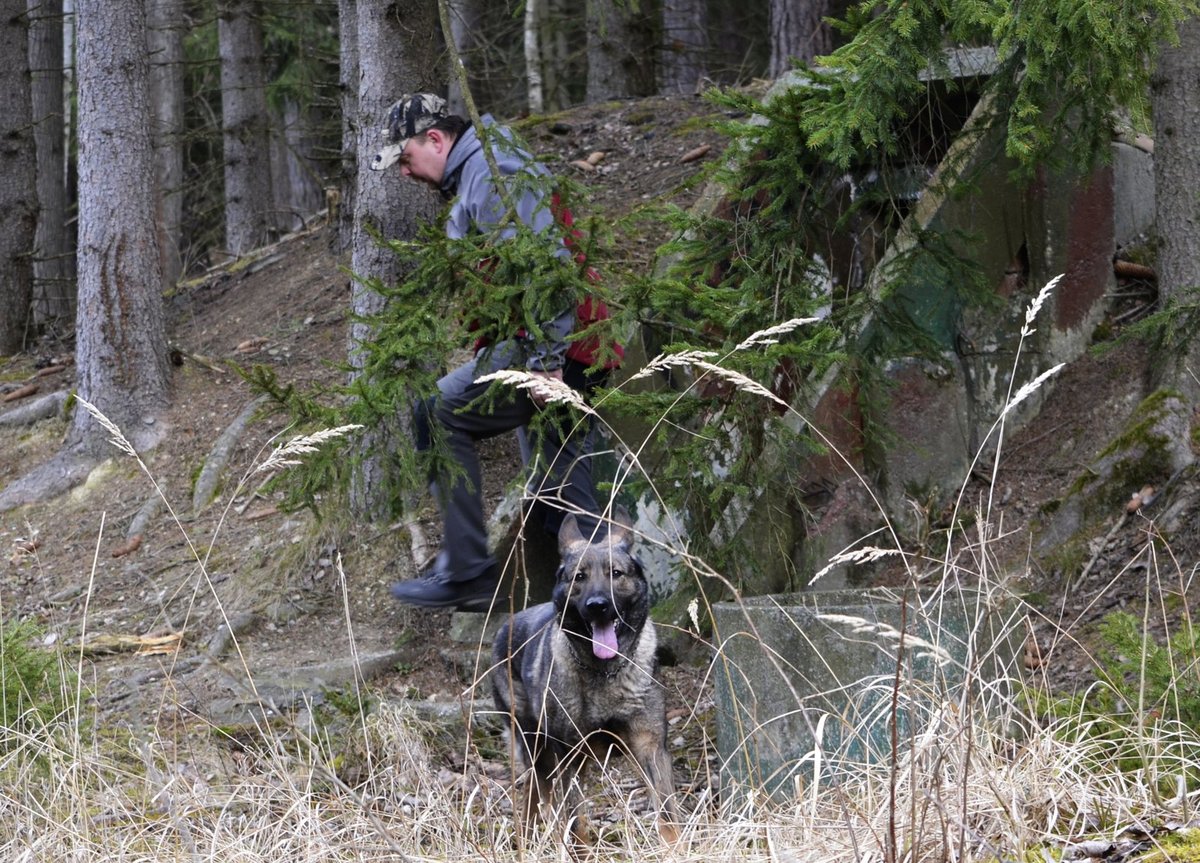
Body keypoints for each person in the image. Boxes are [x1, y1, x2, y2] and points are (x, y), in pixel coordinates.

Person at [371, 93, 614, 611]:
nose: (405, 175)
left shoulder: (492, 171)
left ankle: (469, 573)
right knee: (564, 492)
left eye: (406, 159)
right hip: (571, 341)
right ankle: (608, 617)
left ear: (435, 139)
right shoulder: (481, 168)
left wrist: (547, 365)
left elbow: (544, 264)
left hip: (558, 345)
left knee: (437, 413)